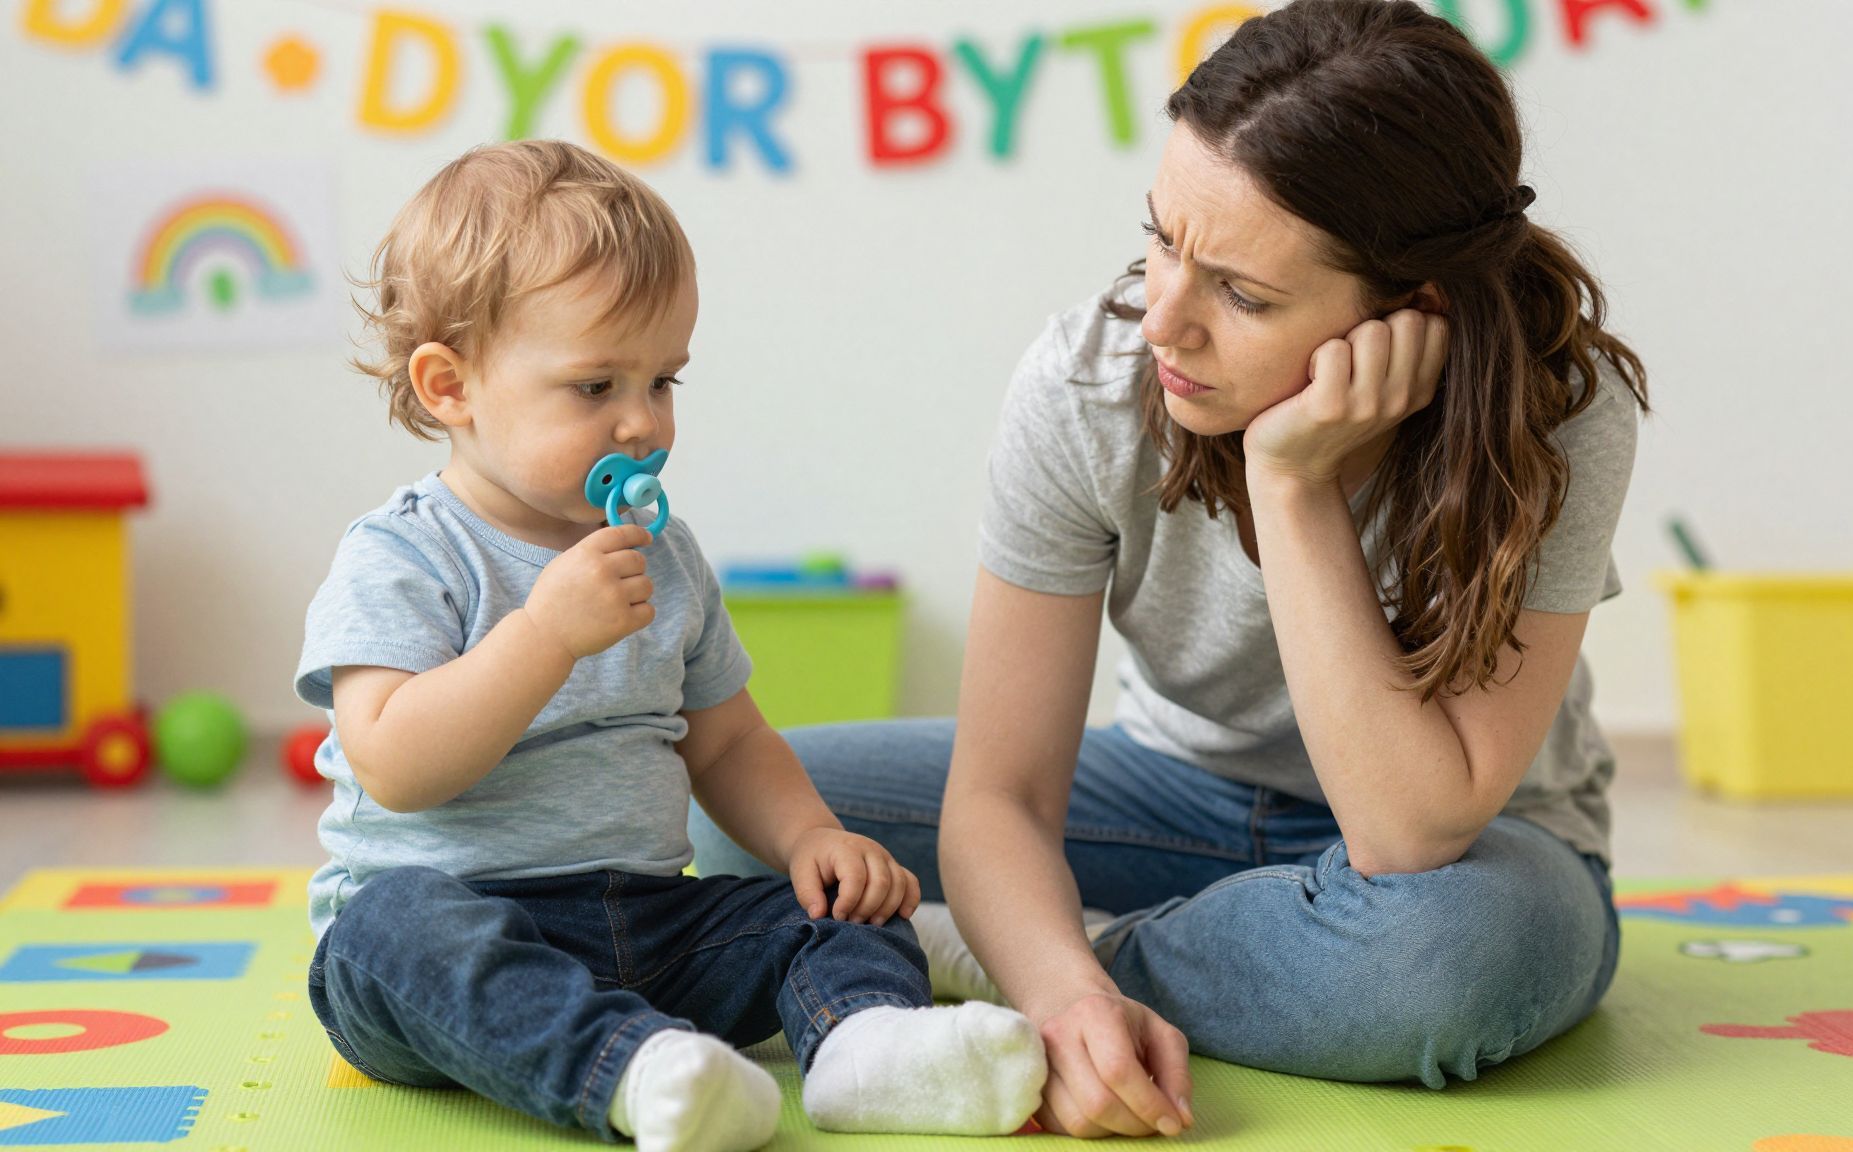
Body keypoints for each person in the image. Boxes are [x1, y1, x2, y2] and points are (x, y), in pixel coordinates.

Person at [690, 0, 1647, 1139]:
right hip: (1174, 794)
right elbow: (1002, 794)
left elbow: (1406, 835)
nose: (1164, 319)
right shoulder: (1085, 383)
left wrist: (1289, 486)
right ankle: (1098, 957)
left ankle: (1006, 948)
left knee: (1439, 967)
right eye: (1159, 239)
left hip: (1470, 854)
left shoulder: (1558, 413)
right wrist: (1068, 1002)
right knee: (750, 820)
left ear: (1413, 306)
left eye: (1242, 295)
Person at [294, 139, 1046, 1152]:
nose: (643, 423)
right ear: (449, 386)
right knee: (386, 934)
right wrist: (545, 634)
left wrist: (809, 838)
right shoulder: (401, 553)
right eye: (595, 387)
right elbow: (393, 764)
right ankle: (635, 1073)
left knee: (834, 912)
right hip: (457, 932)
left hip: (646, 924)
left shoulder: (665, 556)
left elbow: (727, 743)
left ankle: (865, 1050)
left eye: (663, 380)